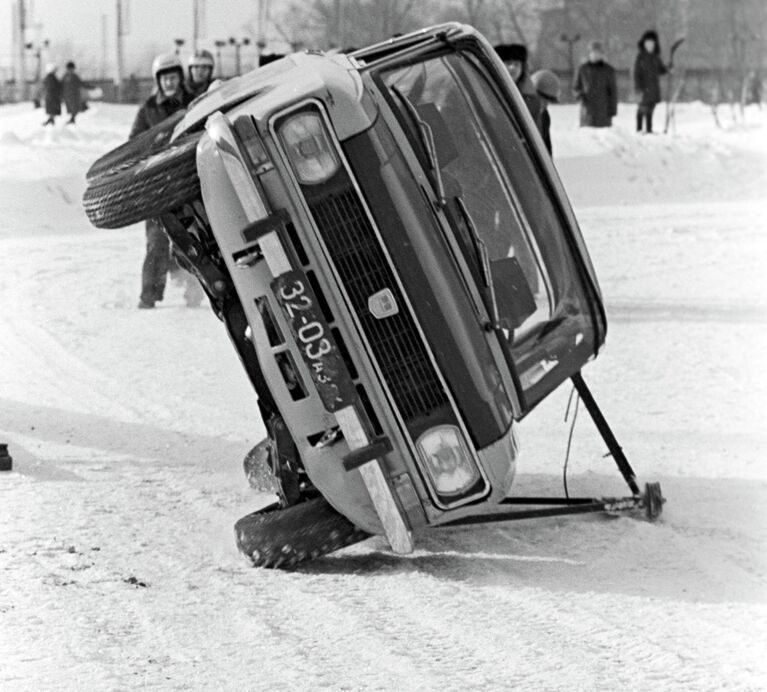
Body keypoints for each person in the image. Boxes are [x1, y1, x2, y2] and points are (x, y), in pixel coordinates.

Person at [130, 53, 194, 309]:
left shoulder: (191, 104)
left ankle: (197, 290)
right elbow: (133, 143)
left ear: (180, 78)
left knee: (194, 237)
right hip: (157, 186)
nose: (170, 82)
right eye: (165, 78)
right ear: (159, 80)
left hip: (188, 181)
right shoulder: (149, 110)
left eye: (173, 77)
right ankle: (149, 294)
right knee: (157, 240)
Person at [494, 43, 544, 134]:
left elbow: (537, 135)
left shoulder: (532, 99)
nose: (512, 67)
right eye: (508, 63)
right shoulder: (485, 91)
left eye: (516, 64)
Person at [573, 41, 617, 128]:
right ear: (589, 54)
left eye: (598, 52)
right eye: (593, 52)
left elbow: (613, 92)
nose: (595, 55)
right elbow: (576, 87)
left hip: (604, 113)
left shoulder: (608, 70)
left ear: (602, 54)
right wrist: (579, 95)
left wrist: (613, 109)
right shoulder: (582, 69)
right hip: (587, 113)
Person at [634, 30, 668, 133]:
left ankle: (649, 129)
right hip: (644, 88)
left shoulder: (656, 58)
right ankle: (639, 129)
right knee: (642, 109)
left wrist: (668, 68)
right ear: (644, 44)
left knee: (651, 109)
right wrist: (638, 87)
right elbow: (636, 74)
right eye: (648, 43)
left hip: (654, 88)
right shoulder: (640, 58)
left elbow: (661, 70)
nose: (650, 45)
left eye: (652, 43)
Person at [530, 69, 561, 155]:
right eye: (543, 99)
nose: (545, 104)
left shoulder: (544, 116)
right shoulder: (517, 112)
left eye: (549, 101)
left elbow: (546, 151)